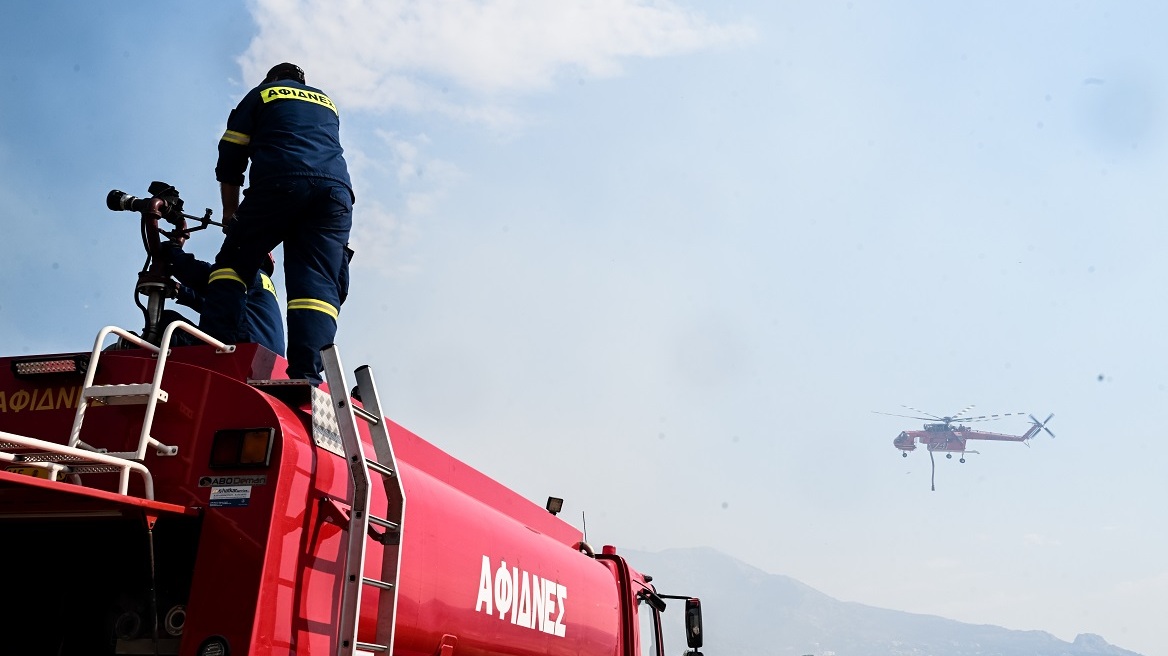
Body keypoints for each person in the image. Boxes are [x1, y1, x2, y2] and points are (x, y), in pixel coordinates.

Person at [203, 62, 354, 384]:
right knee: (316, 287)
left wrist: (230, 212)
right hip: (335, 195)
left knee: (231, 265)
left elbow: (231, 152)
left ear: (272, 78)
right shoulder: (326, 101)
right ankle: (306, 376)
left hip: (280, 183)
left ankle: (218, 351)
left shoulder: (262, 94)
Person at [158, 239, 285, 355]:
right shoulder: (263, 287)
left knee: (169, 321)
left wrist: (172, 251)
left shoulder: (245, 271)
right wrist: (181, 291)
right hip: (268, 358)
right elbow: (221, 306)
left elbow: (200, 274)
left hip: (241, 347)